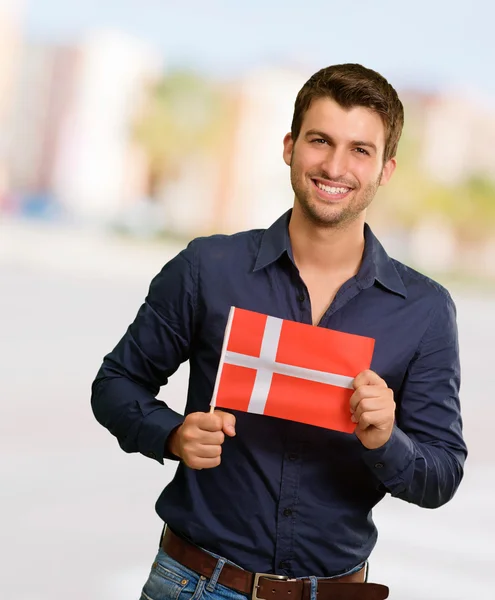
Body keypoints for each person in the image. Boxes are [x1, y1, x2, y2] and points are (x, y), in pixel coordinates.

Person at [91, 63, 467, 600]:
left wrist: (388, 440)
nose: (335, 166)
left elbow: (441, 475)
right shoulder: (208, 267)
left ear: (385, 170)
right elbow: (116, 383)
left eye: (360, 149)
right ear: (289, 146)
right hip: (194, 583)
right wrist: (171, 434)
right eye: (320, 140)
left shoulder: (425, 311)